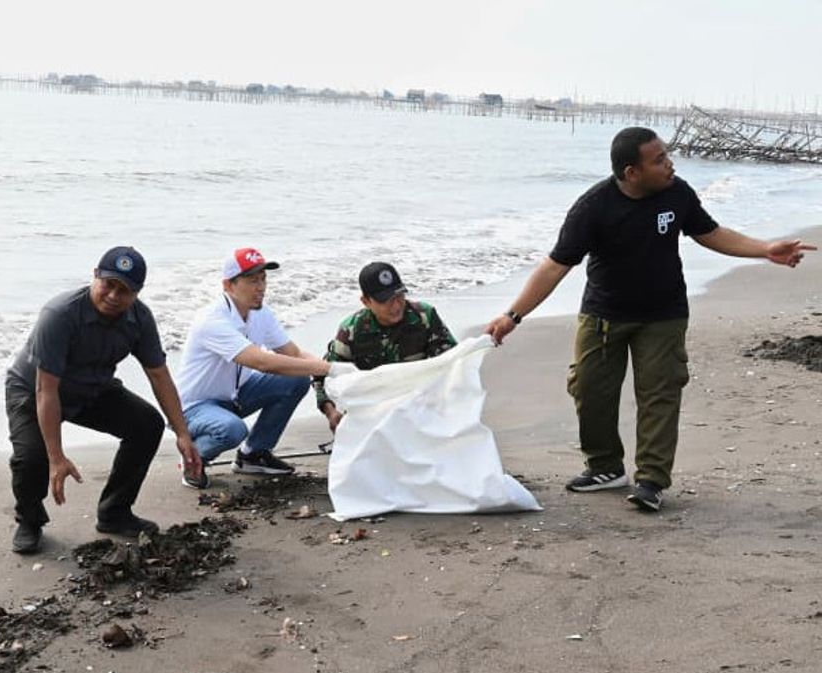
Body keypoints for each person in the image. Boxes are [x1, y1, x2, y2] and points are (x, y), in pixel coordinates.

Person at [485, 126, 815, 513]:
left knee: (660, 394)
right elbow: (555, 267)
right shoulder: (593, 207)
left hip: (663, 314)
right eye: (658, 159)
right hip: (604, 315)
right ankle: (605, 466)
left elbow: (710, 233)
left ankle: (651, 480)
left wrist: (765, 249)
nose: (669, 163)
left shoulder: (678, 193)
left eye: (667, 155)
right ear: (631, 172)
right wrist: (513, 315)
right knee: (589, 390)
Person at [5, 246, 203, 554]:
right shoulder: (60, 314)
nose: (113, 295)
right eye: (108, 284)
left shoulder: (140, 319)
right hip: (33, 390)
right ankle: (29, 520)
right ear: (95, 276)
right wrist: (56, 458)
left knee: (147, 424)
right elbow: (46, 390)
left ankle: (115, 512)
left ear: (137, 293)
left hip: (92, 388)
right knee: (33, 458)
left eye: (124, 290)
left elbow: (159, 375)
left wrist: (182, 432)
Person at [176, 247, 356, 488]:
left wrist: (333, 370)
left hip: (235, 395)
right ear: (228, 285)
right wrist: (328, 369)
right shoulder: (212, 321)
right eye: (252, 280)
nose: (260, 287)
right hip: (195, 408)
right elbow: (261, 362)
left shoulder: (261, 313)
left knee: (296, 379)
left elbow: (292, 353)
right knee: (232, 430)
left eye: (263, 279)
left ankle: (253, 454)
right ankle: (192, 458)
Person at [314, 262, 457, 431]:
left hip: (419, 402)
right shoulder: (351, 330)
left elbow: (452, 360)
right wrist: (331, 413)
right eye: (386, 301)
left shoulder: (424, 316)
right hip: (372, 411)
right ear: (366, 301)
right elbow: (324, 375)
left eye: (399, 297)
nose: (396, 306)